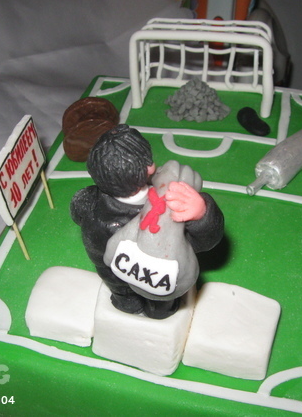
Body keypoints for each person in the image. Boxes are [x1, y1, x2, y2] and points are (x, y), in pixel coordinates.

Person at [70, 124, 224, 319]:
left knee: (128, 294)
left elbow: (76, 211)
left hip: (112, 269)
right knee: (153, 300)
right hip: (139, 275)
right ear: (149, 167)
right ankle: (147, 308)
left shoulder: (90, 201)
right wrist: (201, 214)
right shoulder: (172, 209)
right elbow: (203, 243)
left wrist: (201, 213)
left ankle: (133, 304)